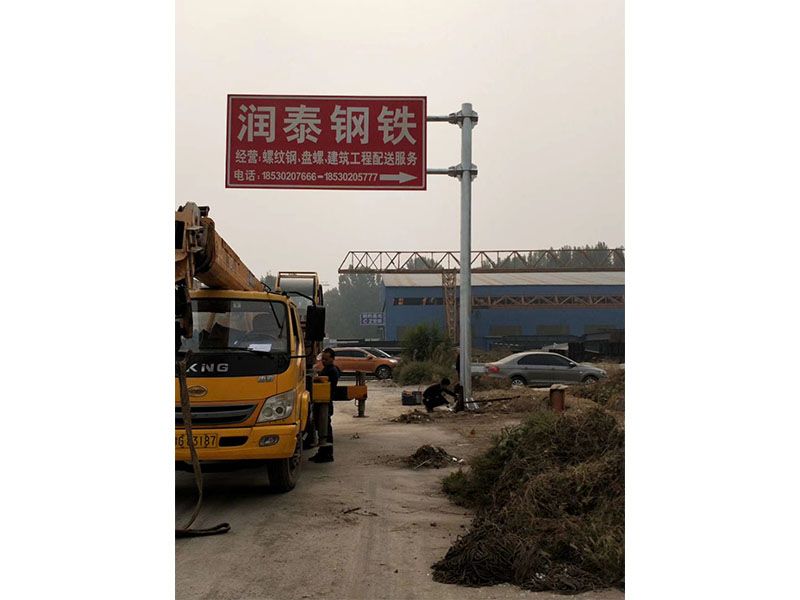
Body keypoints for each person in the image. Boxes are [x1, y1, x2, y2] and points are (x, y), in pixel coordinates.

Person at [310, 347, 340, 463]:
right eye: (322, 359)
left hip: (325, 404)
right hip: (320, 403)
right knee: (321, 428)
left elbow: (327, 386)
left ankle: (327, 454)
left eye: (326, 359)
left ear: (332, 359)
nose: (323, 361)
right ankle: (321, 453)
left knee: (325, 429)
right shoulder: (326, 369)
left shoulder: (332, 371)